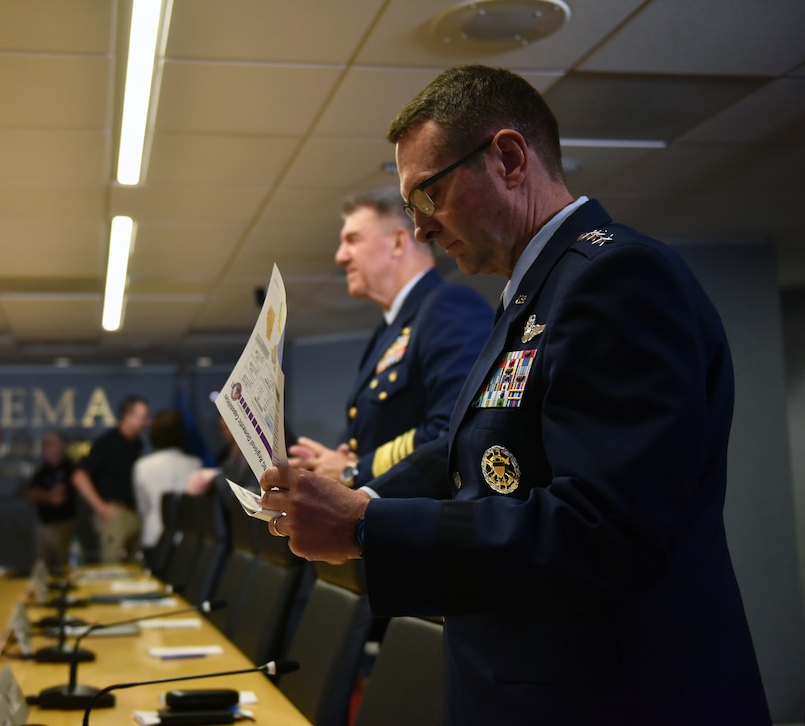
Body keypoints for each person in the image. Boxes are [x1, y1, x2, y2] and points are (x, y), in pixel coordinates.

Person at [258, 65, 769, 724]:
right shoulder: (531, 298)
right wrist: (359, 497)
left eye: (429, 196)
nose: (421, 229)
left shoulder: (616, 279)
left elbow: (601, 532)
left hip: (612, 698)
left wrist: (366, 526)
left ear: (506, 158)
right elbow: (480, 469)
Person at [288, 188, 492, 489]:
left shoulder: (448, 306)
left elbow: (456, 428)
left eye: (353, 240)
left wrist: (354, 471)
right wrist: (331, 462)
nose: (340, 256)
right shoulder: (388, 331)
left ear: (398, 242)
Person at [72, 395, 149, 563]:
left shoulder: (136, 444)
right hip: (115, 512)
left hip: (134, 512)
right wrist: (101, 508)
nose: (146, 423)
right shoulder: (107, 443)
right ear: (127, 417)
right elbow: (79, 476)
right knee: (112, 564)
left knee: (134, 566)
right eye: (142, 417)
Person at [133, 410, 202, 554]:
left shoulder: (142, 466)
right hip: (185, 539)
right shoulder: (195, 464)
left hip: (153, 535)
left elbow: (142, 507)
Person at [24, 430, 77, 572]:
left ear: (61, 446)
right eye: (43, 444)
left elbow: (58, 499)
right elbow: (30, 495)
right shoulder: (42, 470)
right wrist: (48, 495)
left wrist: (42, 494)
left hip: (64, 525)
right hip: (43, 525)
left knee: (64, 567)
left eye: (49, 444)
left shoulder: (70, 468)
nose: (45, 447)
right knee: (42, 568)